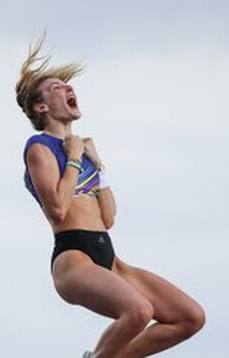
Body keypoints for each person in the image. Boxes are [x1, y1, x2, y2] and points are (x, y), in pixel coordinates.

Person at [15, 36, 205, 358]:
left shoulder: (84, 152)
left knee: (189, 318)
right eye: (57, 87)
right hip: (74, 258)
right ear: (42, 106)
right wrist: (74, 157)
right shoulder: (39, 147)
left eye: (67, 84)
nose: (67, 88)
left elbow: (108, 218)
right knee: (138, 311)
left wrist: (99, 165)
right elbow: (58, 209)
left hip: (109, 259)